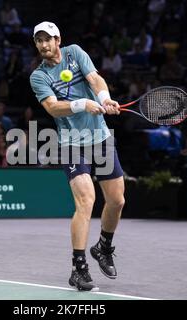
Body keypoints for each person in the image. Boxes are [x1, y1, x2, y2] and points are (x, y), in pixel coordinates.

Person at [30, 22, 125, 291]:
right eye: (38, 41)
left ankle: (103, 246)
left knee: (117, 201)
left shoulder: (75, 53)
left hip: (101, 138)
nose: (43, 45)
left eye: (47, 39)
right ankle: (78, 268)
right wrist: (82, 104)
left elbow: (95, 78)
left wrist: (104, 98)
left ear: (58, 39)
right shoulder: (38, 76)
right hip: (72, 143)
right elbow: (52, 108)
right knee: (86, 201)